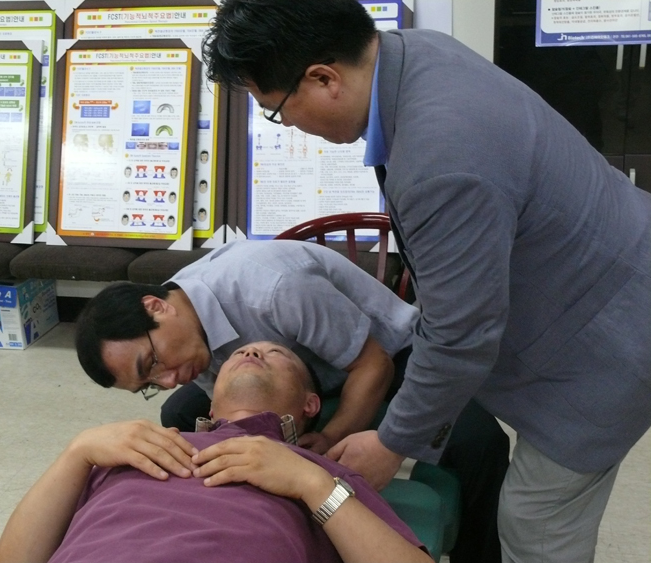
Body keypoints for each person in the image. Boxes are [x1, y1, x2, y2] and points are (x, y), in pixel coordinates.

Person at [201, 1, 651, 562]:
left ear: (323, 79)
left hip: (612, 336)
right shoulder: (415, 53)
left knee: (536, 523)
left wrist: (393, 443)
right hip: (606, 263)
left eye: (276, 111)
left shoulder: (440, 156)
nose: (288, 125)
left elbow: (461, 333)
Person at [75, 239, 509, 562]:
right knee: (178, 412)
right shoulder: (187, 337)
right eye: (149, 382)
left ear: (157, 306)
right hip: (295, 376)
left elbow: (373, 365)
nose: (168, 379)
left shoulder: (274, 288)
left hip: (381, 357)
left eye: (152, 362)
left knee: (479, 443)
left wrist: (328, 440)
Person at [0, 342, 432, 563]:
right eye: (240, 352)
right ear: (210, 403)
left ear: (310, 405)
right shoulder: (130, 449)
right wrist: (77, 451)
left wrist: (310, 483)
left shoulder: (319, 474)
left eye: (276, 354)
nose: (253, 350)